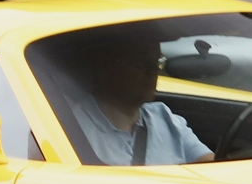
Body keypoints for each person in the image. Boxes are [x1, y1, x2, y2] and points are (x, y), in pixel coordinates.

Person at [74, 34, 213, 165]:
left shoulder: (164, 117)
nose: (154, 71)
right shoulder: (71, 128)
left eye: (158, 62)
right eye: (142, 63)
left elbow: (211, 167)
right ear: (105, 66)